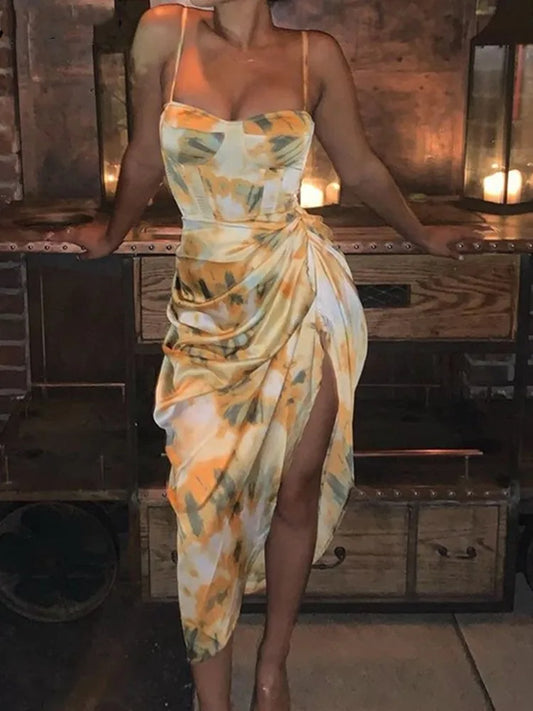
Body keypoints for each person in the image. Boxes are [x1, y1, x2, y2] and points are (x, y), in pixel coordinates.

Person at [52, 2, 463, 709]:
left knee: (296, 489)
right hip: (207, 309)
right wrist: (112, 233)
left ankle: (273, 665)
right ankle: (213, 701)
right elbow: (145, 155)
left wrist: (422, 234)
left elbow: (360, 166)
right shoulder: (163, 30)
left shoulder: (314, 54)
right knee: (204, 507)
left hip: (298, 293)